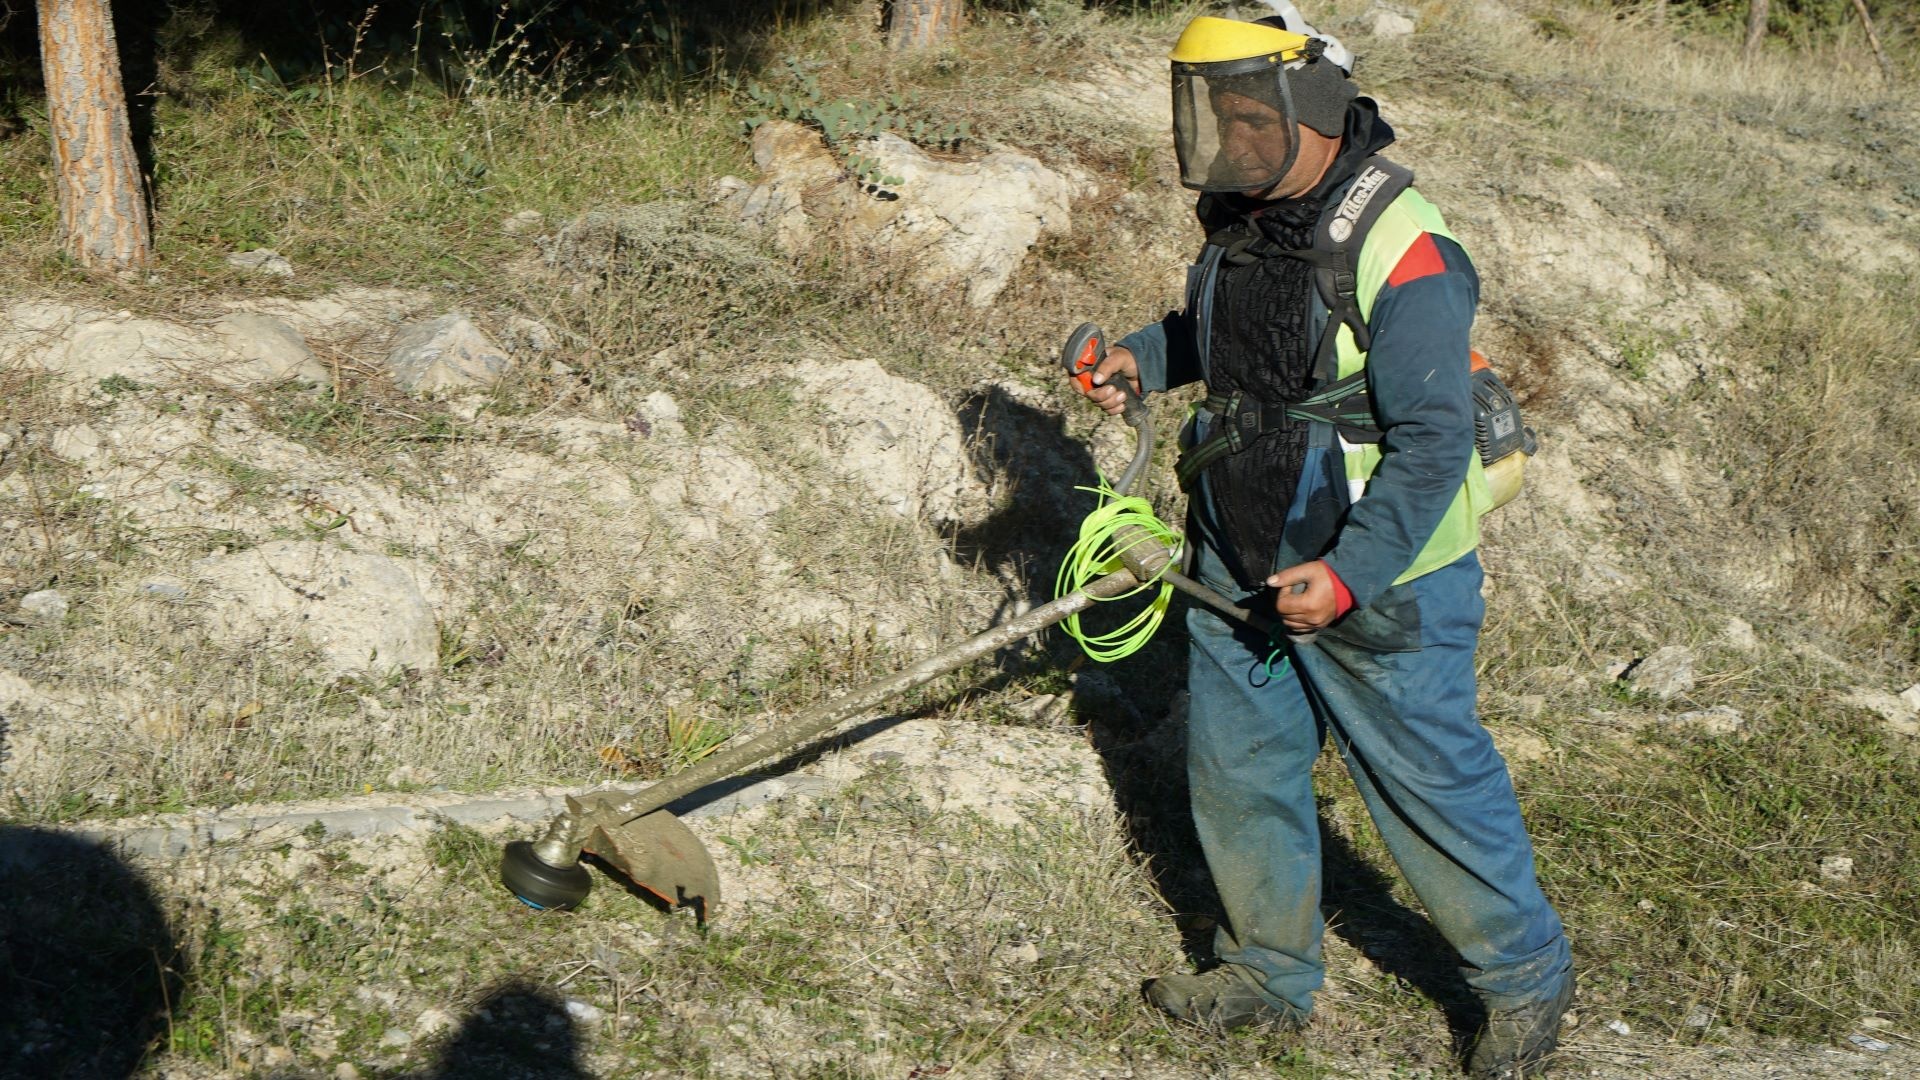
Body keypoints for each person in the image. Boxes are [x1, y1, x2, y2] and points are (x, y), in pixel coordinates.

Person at [1068, 9, 1575, 1078]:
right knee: (1240, 768)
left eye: (1251, 117)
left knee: (1429, 784)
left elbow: (1434, 440)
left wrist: (1348, 579)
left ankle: (1524, 979)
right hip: (1241, 550)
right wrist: (1142, 362)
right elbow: (1225, 337)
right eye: (1216, 117)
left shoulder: (1407, 243)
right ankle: (1266, 975)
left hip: (1382, 574)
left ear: (1311, 106)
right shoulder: (1241, 216)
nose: (1229, 141)